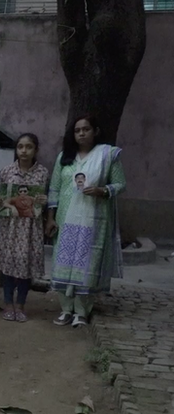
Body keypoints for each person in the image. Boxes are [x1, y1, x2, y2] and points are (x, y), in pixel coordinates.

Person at [46, 115, 126, 328]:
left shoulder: (107, 155)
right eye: (77, 130)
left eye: (86, 129)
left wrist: (103, 190)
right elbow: (54, 188)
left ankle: (82, 312)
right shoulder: (65, 157)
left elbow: (120, 184)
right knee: (64, 263)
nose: (81, 133)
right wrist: (51, 218)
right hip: (65, 220)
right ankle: (65, 309)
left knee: (87, 265)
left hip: (93, 221)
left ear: (95, 131)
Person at [0, 133, 49, 322]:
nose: (24, 151)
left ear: (36, 150)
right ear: (16, 149)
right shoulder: (7, 171)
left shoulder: (42, 173)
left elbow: (44, 201)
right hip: (10, 227)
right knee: (9, 265)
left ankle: (21, 305)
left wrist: (43, 201)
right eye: (20, 147)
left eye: (29, 147)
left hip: (31, 227)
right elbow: (2, 199)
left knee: (26, 265)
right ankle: (8, 304)